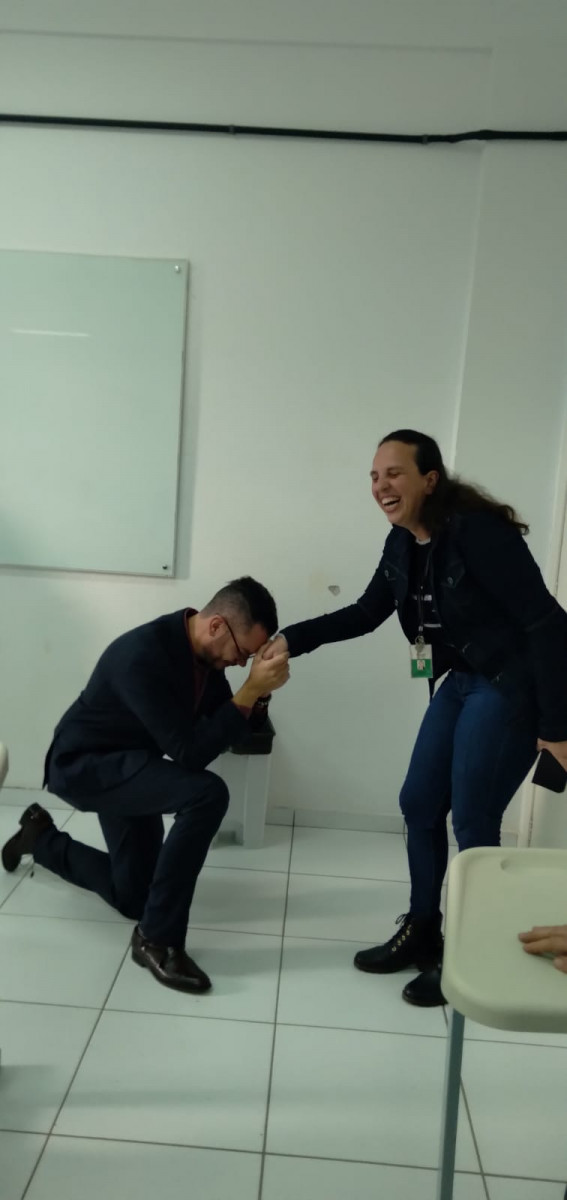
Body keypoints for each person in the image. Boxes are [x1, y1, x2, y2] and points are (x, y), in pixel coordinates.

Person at [264, 430, 567, 1007]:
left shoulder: (478, 534)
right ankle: (423, 928)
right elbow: (365, 612)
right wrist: (291, 639)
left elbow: (548, 623)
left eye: (394, 473)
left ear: (430, 479)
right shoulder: (402, 543)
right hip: (461, 682)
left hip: (508, 686)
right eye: (374, 476)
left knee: (473, 820)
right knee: (420, 802)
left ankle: (470, 952)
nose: (381, 485)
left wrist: (556, 726)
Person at [2, 577, 290, 994]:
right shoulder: (141, 655)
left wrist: (259, 695)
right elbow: (190, 752)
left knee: (136, 897)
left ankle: (40, 838)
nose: (241, 663)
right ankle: (157, 939)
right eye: (243, 653)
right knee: (207, 794)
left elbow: (230, 728)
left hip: (132, 764)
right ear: (216, 626)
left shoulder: (206, 660)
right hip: (86, 766)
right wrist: (249, 690)